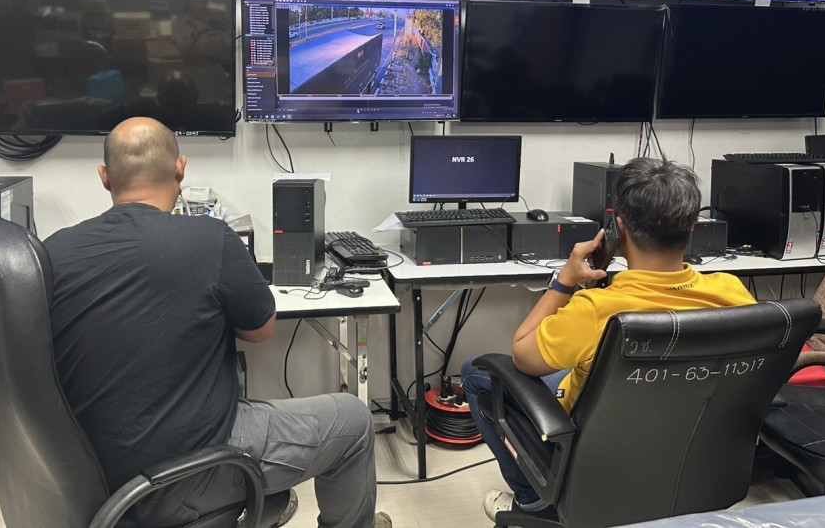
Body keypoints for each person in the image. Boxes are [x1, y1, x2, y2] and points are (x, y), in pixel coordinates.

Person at [44, 117, 390, 528]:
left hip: (93, 483)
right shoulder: (210, 237)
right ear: (181, 169)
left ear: (104, 177)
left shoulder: (53, 251)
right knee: (353, 420)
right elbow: (262, 331)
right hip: (186, 473)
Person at [461, 157, 756, 522]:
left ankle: (535, 503)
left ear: (619, 227)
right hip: (696, 459)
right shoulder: (733, 293)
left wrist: (564, 281)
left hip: (600, 459)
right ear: (692, 226)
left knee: (477, 372)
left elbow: (522, 355)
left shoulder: (596, 310)